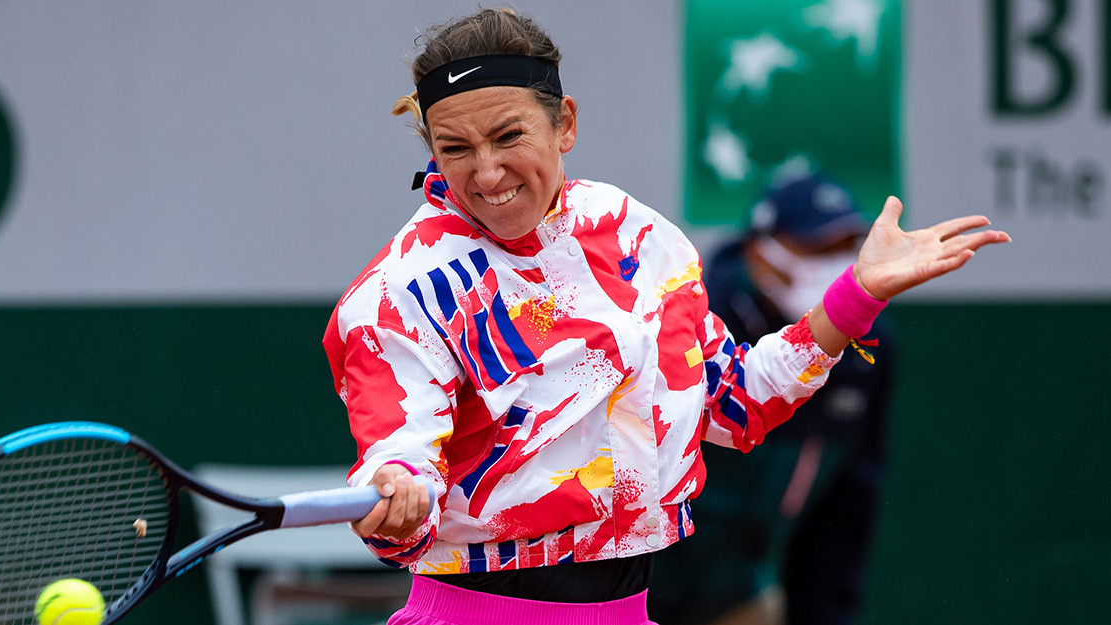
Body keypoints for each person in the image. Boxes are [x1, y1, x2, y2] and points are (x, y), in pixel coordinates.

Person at [321, 8, 1008, 624]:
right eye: (456, 148)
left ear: (565, 125)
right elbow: (398, 460)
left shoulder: (640, 238)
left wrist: (856, 294)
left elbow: (734, 403)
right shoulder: (398, 291)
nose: (488, 172)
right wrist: (396, 491)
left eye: (508, 135)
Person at [647, 174, 894, 625]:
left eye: (844, 248)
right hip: (636, 587)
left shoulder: (867, 348)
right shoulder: (688, 321)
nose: (831, 264)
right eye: (814, 247)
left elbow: (848, 503)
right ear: (760, 249)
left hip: (739, 590)